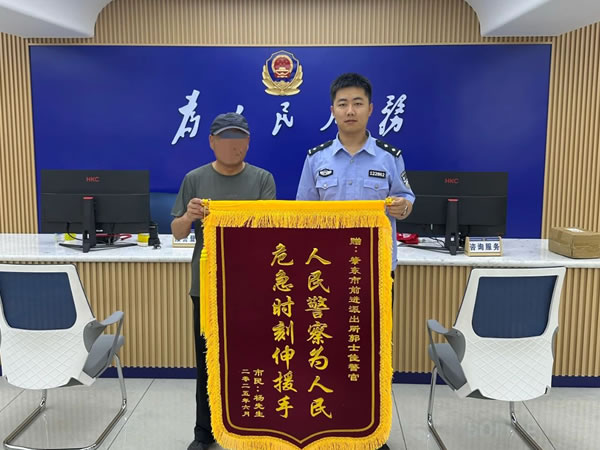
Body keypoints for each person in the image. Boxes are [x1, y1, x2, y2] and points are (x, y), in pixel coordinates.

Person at [296, 73, 415, 450]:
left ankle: (373, 432)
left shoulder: (389, 156)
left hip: (376, 275)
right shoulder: (316, 158)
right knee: (329, 350)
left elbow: (407, 199)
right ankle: (329, 424)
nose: (350, 110)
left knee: (374, 352)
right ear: (332, 110)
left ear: (370, 109)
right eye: (343, 103)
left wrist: (403, 206)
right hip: (327, 277)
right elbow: (302, 215)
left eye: (358, 103)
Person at [171, 112, 276, 450]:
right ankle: (204, 432)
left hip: (252, 287)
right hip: (206, 286)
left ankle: (254, 426)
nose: (234, 145)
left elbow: (269, 231)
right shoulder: (194, 179)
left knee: (254, 359)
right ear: (212, 142)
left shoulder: (263, 179)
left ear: (248, 142)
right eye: (226, 138)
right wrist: (189, 216)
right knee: (207, 362)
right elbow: (177, 232)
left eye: (240, 138)